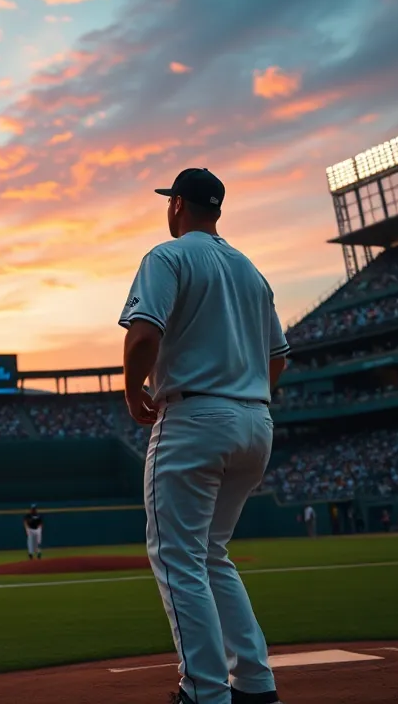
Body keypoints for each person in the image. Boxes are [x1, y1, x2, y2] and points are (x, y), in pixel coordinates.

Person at [119, 168, 288, 704]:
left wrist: (131, 391)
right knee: (212, 553)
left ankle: (205, 692)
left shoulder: (167, 257)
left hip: (194, 418)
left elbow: (144, 334)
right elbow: (278, 358)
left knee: (178, 557)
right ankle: (256, 686)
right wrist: (244, 394)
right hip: (254, 420)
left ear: (177, 206)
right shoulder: (251, 270)